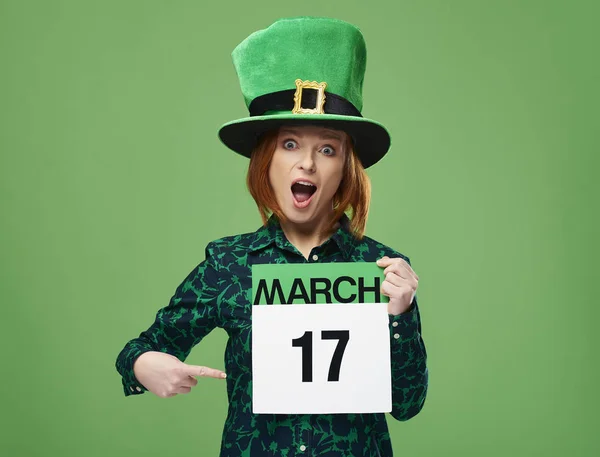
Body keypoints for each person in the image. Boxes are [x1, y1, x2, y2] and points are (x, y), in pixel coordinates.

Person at [116, 16, 428, 457]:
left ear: (345, 170)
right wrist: (144, 365)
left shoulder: (380, 269)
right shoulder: (228, 264)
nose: (307, 164)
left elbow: (408, 404)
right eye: (289, 144)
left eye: (327, 149)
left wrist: (400, 315)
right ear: (266, 160)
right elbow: (144, 347)